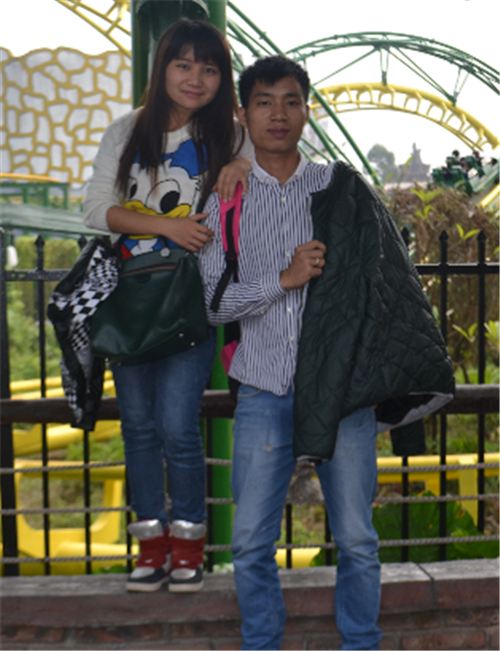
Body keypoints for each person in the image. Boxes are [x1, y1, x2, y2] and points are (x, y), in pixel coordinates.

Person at [198, 55, 454, 650]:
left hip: (342, 394)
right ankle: (262, 643)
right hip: (264, 388)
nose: (278, 114)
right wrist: (283, 281)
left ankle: (361, 643)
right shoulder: (226, 199)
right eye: (264, 102)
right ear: (244, 114)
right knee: (250, 543)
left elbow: (385, 285)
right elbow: (215, 304)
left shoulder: (340, 190)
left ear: (307, 111)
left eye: (291, 101)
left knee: (358, 538)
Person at [83, 19, 252, 594]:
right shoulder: (128, 130)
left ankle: (189, 543)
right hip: (130, 301)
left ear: (222, 78)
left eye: (209, 68)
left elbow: (279, 169)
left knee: (178, 428)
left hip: (190, 303)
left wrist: (243, 163)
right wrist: (167, 226)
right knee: (137, 427)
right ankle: (150, 545)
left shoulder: (232, 135)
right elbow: (95, 209)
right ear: (163, 69)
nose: (195, 78)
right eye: (183, 65)